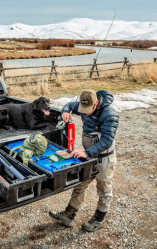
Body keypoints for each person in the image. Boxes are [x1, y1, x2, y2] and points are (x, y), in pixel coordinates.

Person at [49, 89, 119, 232]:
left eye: (88, 109)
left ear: (96, 103)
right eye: (83, 109)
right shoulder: (82, 104)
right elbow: (69, 105)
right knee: (80, 184)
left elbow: (107, 140)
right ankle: (68, 215)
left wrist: (86, 152)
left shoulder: (110, 114)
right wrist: (65, 111)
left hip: (104, 159)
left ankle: (98, 219)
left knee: (104, 190)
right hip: (89, 157)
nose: (85, 112)